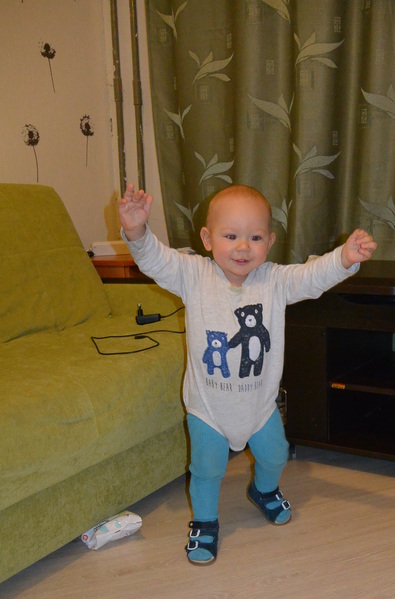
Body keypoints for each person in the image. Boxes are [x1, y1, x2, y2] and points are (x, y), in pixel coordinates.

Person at [118, 183, 377, 565]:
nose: (243, 247)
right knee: (207, 469)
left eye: (255, 238)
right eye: (230, 236)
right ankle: (205, 522)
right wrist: (137, 230)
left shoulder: (274, 281)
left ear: (269, 242)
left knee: (275, 454)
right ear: (207, 239)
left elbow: (311, 277)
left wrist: (344, 257)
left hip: (259, 405)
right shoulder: (192, 275)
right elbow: (154, 260)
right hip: (208, 407)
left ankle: (263, 490)